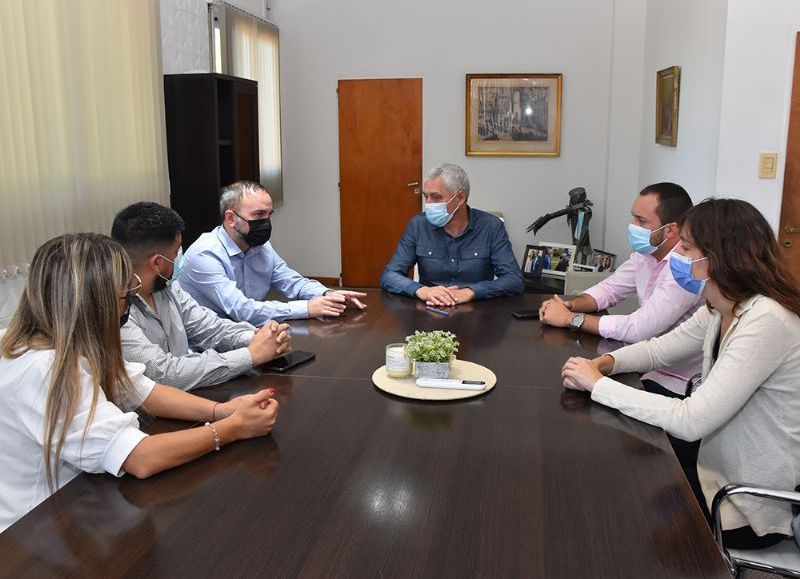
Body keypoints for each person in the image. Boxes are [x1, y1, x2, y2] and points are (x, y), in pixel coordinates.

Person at [561, 198, 800, 549]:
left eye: (686, 248)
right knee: (609, 477)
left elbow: (691, 419)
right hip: (714, 467)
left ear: (720, 257)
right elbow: (658, 349)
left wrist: (598, 386)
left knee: (621, 519)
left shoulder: (766, 321)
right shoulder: (722, 307)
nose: (677, 257)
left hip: (747, 504)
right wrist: (605, 365)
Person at [0, 233, 280, 532]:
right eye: (125, 293)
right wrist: (233, 428)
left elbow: (142, 389)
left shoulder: (53, 340)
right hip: (36, 528)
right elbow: (139, 458)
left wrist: (222, 410)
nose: (130, 303)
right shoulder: (46, 367)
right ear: (93, 302)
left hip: (76, 507)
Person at [540, 183, 701, 398]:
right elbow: (610, 289)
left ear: (670, 229)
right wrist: (569, 304)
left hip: (678, 384)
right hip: (645, 367)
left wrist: (571, 319)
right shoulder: (646, 254)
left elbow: (639, 328)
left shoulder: (686, 269)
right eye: (633, 217)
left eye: (641, 221)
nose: (632, 226)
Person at [111, 202, 291, 390]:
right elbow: (163, 373)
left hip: (188, 399)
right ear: (157, 262)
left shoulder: (167, 288)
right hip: (150, 416)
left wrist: (261, 338)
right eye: (176, 251)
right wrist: (251, 355)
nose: (178, 257)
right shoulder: (116, 309)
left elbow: (211, 329)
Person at [179, 181, 367, 325]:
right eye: (259, 215)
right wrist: (307, 308)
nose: (266, 223)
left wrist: (327, 294)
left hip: (249, 334)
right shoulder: (205, 255)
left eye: (270, 215)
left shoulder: (259, 246)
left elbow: (291, 282)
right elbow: (241, 310)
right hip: (206, 346)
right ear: (230, 218)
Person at [380, 163, 523, 306]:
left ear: (460, 198)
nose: (428, 204)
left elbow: (514, 280)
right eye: (426, 197)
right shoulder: (418, 225)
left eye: (435, 197)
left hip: (476, 309)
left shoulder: (491, 226)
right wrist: (422, 290)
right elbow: (389, 275)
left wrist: (470, 292)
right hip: (430, 308)